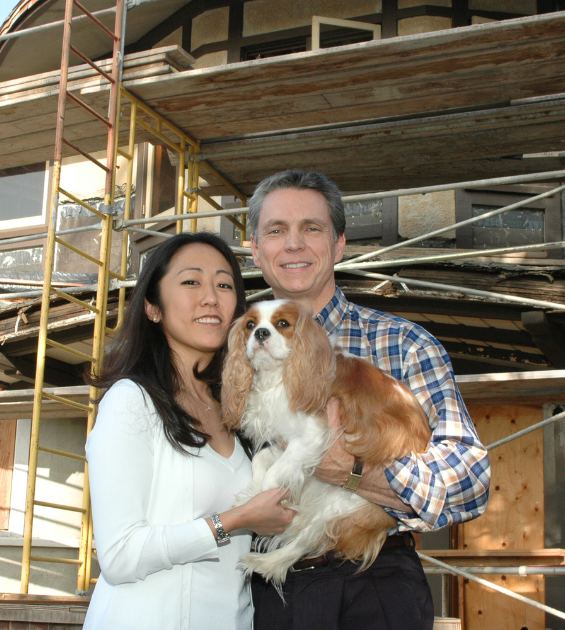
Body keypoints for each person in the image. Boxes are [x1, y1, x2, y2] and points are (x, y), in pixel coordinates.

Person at [247, 170, 491, 630]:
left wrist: (356, 472)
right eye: (276, 230)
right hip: (269, 587)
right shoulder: (238, 349)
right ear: (256, 249)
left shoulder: (403, 344)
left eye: (311, 229)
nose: (294, 244)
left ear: (338, 245)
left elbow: (470, 479)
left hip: (373, 580)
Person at [83, 232, 295, 630]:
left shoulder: (241, 412)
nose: (211, 297)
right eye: (191, 281)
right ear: (152, 307)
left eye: (225, 284)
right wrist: (234, 520)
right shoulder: (131, 401)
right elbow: (119, 555)